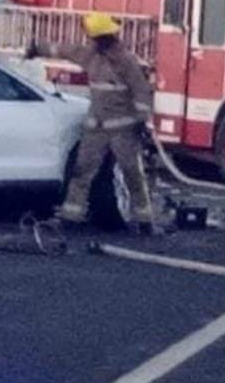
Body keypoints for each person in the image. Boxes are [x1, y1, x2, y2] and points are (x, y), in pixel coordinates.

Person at [55, 12, 155, 234]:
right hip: (97, 129)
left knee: (132, 174)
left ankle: (144, 220)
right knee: (82, 172)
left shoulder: (127, 61)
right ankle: (71, 216)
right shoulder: (91, 56)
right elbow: (63, 50)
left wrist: (141, 121)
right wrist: (36, 48)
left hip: (123, 130)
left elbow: (141, 92)